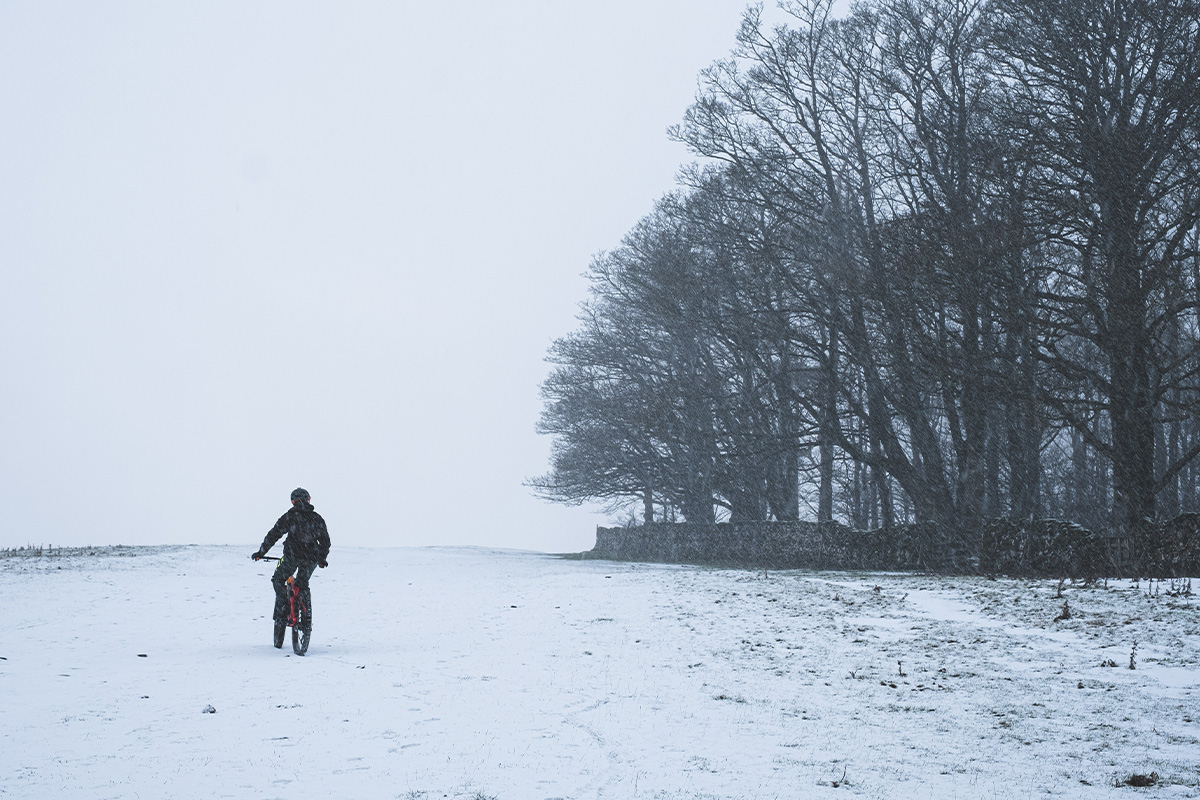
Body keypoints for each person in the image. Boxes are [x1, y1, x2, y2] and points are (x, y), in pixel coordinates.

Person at [252, 487, 331, 647]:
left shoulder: (290, 515)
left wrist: (261, 551)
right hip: (311, 558)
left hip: (292, 556)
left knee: (278, 579)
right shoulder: (317, 518)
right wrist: (322, 558)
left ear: (293, 502)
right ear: (308, 500)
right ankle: (304, 613)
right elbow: (325, 541)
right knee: (303, 584)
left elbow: (274, 533)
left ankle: (283, 609)